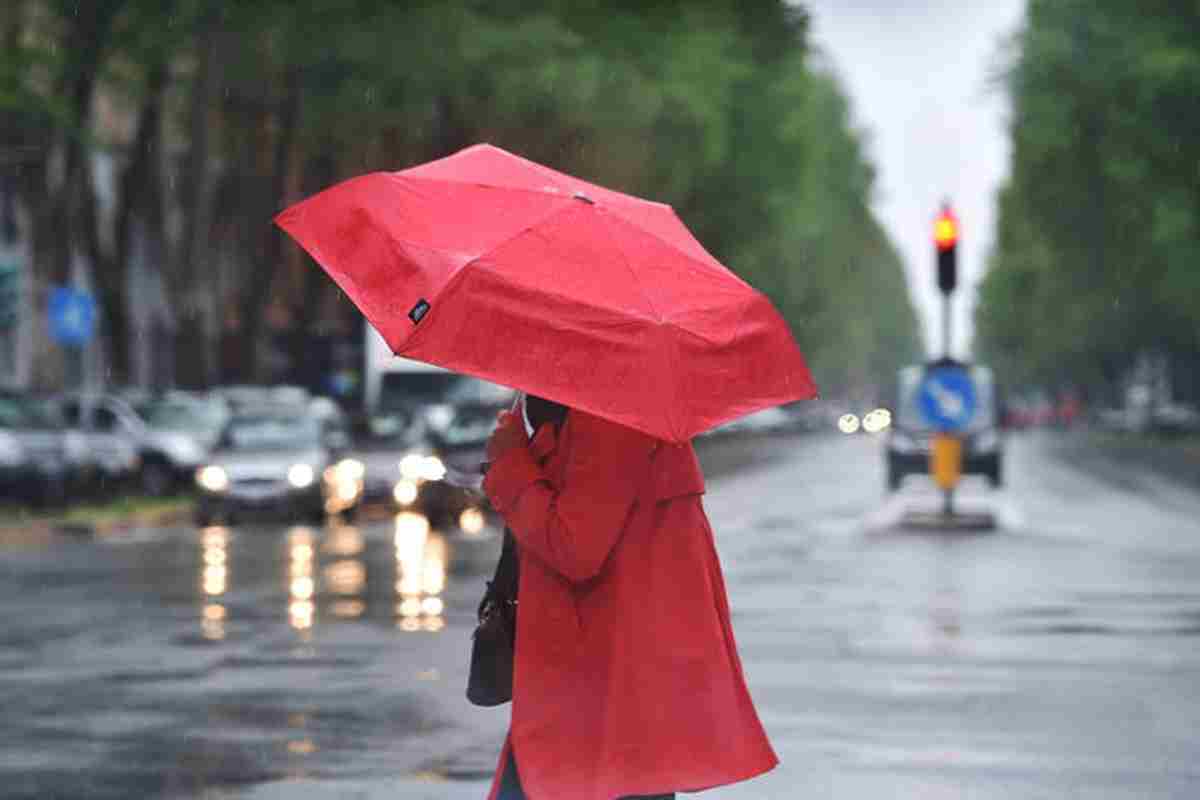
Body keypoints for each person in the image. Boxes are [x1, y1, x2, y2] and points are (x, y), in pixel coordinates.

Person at [481, 394, 778, 800]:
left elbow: (573, 545)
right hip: (604, 678)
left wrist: (511, 459)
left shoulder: (612, 410)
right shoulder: (585, 402)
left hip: (608, 681)